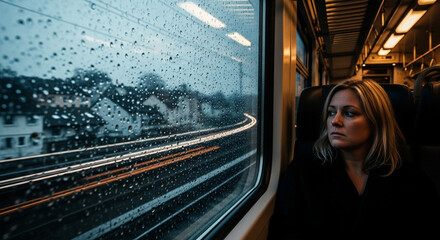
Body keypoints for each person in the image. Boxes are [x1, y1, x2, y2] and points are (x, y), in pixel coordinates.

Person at [268, 79, 440, 239]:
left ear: (376, 122)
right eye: (331, 112)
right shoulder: (302, 172)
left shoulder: (412, 180)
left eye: (349, 113)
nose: (335, 121)